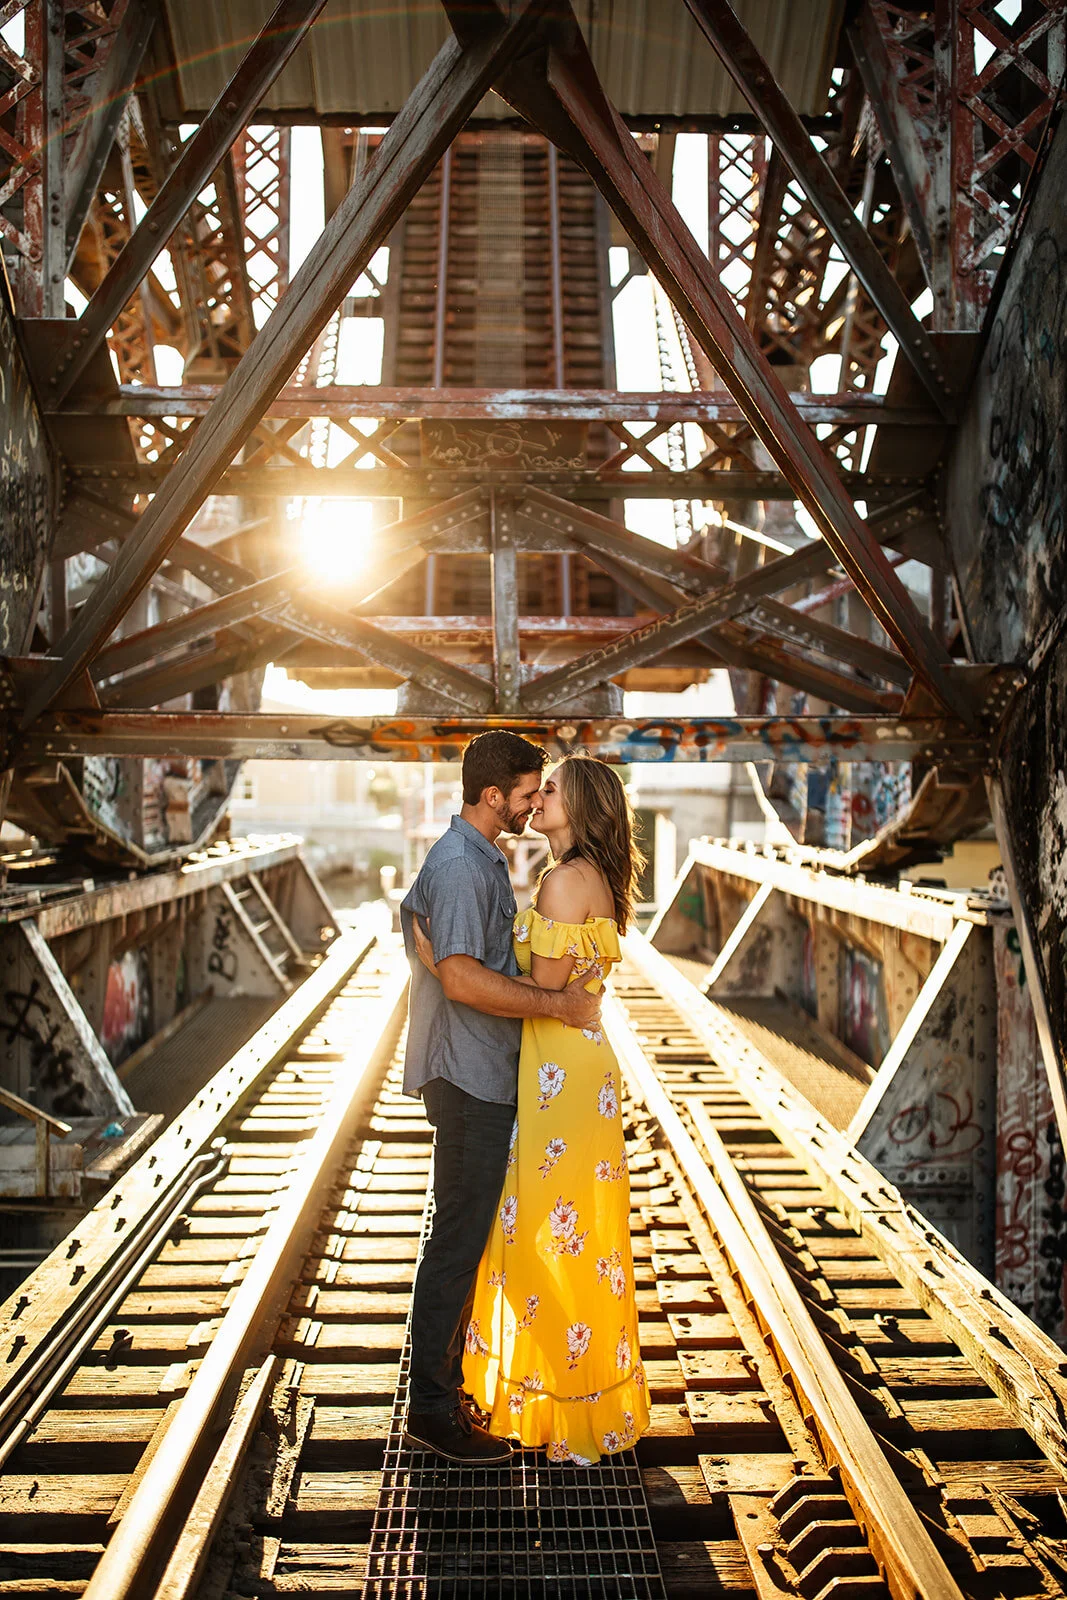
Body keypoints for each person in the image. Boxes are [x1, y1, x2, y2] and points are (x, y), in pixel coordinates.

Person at [413, 754, 650, 1467]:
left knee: (541, 1238)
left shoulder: (558, 881)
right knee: (572, 1240)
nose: (539, 798)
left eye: (551, 790)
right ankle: (576, 1400)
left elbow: (540, 982)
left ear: (580, 806)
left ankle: (557, 1403)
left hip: (556, 1074)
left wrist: (444, 965)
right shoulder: (593, 877)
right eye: (533, 788)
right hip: (576, 1068)